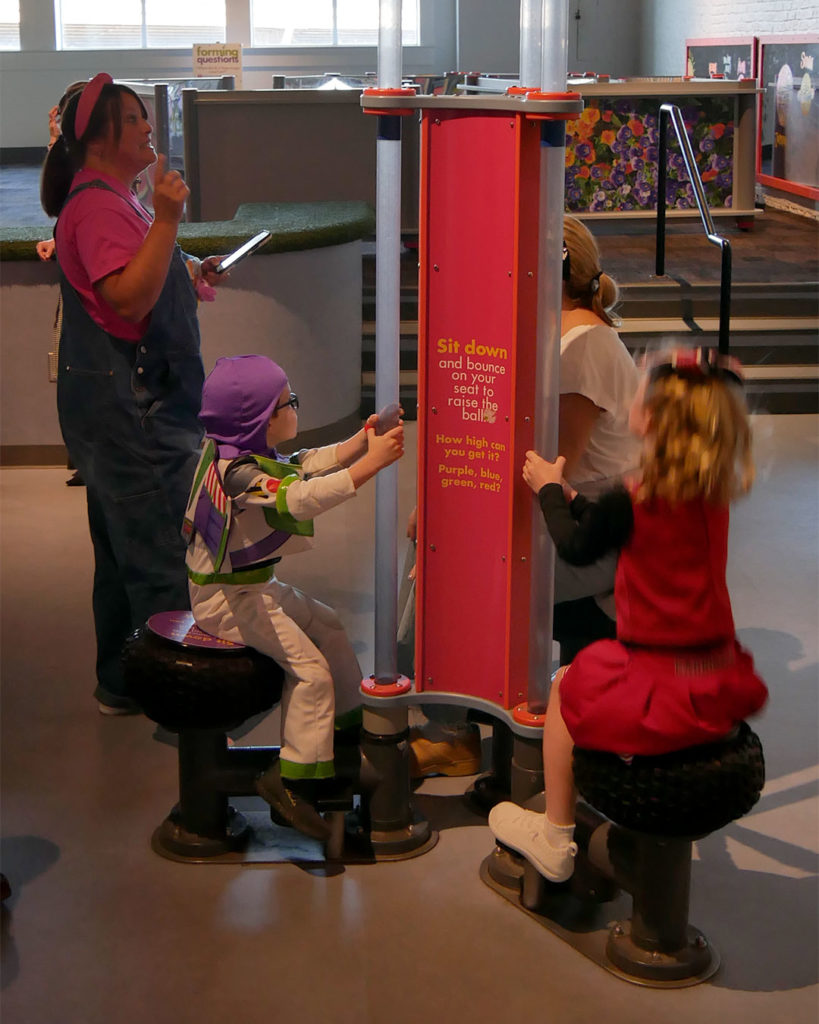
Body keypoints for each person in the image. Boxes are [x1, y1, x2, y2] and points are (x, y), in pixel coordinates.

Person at [488, 347, 769, 882]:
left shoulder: (632, 500)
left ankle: (554, 834)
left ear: (655, 421)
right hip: (711, 673)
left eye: (636, 396)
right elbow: (634, 530)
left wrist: (548, 489)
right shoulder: (708, 492)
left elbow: (575, 546)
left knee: (566, 683)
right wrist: (574, 499)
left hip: (654, 676)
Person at [408, 216, 641, 777]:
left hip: (596, 539)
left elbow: (551, 471)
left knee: (441, 575)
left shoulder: (581, 347)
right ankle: (459, 720)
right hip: (581, 519)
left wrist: (449, 515)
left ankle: (453, 730)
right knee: (436, 556)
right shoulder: (569, 335)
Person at [40, 72, 225, 714]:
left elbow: (137, 273)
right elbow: (126, 296)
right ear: (101, 137)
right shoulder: (96, 205)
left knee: (120, 552)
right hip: (136, 417)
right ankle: (182, 708)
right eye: (136, 119)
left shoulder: (112, 196)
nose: (149, 128)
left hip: (116, 415)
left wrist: (183, 263)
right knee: (158, 558)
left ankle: (122, 682)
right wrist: (170, 219)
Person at [184, 355, 405, 840]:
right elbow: (296, 496)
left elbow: (302, 464)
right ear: (263, 418)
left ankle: (341, 736)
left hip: (252, 586)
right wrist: (370, 464)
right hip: (225, 600)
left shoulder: (244, 456)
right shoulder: (238, 475)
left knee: (327, 624)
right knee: (311, 673)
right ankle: (291, 781)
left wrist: (357, 444)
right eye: (290, 402)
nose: (296, 409)